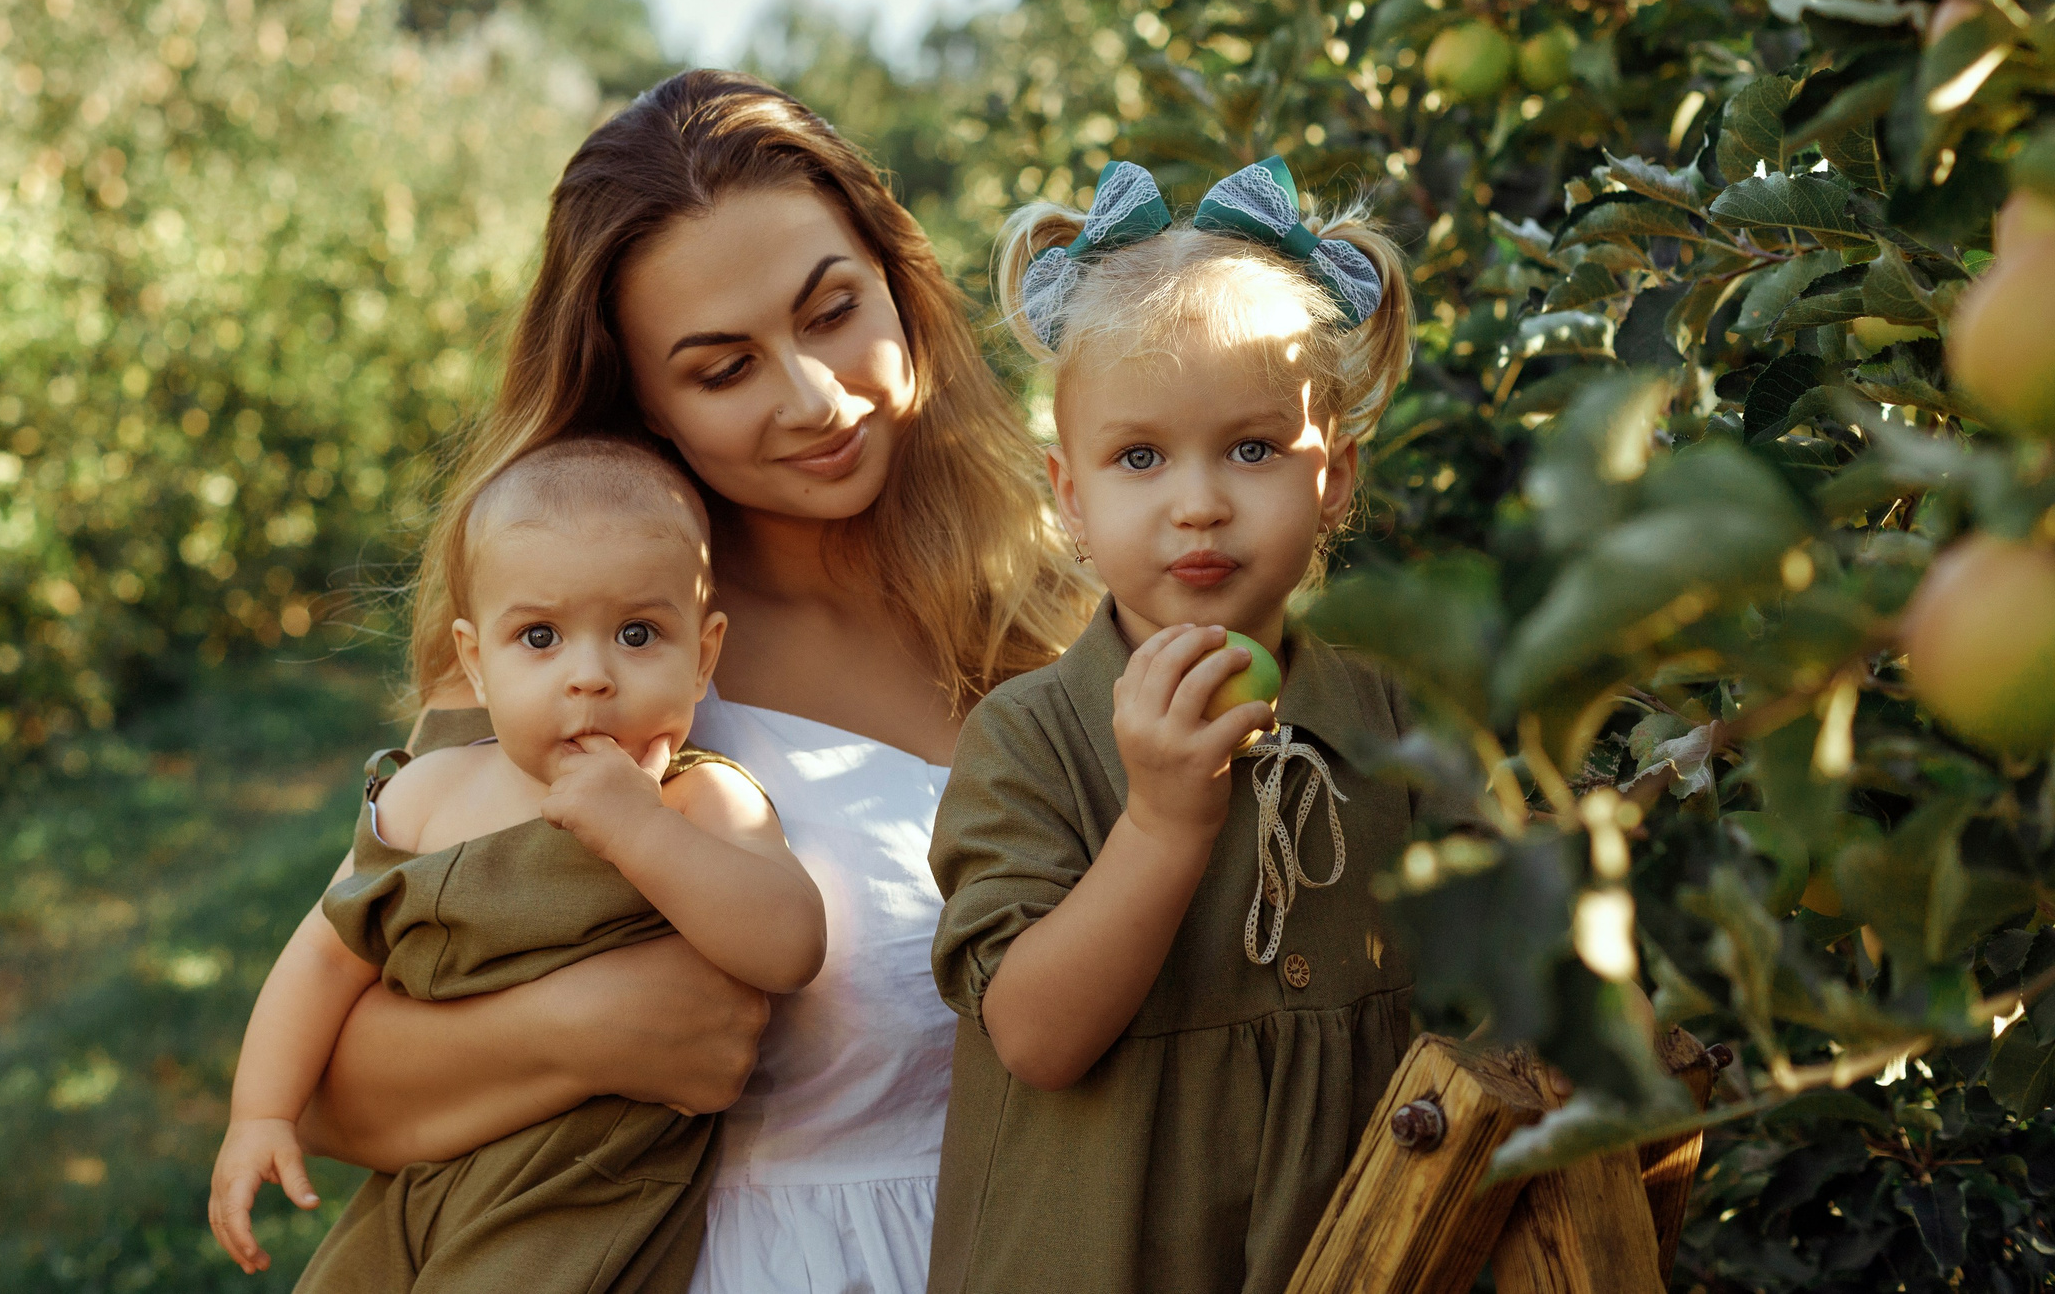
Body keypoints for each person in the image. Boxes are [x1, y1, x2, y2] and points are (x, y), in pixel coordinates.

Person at [296, 70, 1096, 1293]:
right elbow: (328, 1091)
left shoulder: (1061, 599)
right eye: (723, 370)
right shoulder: (598, 671)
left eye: (833, 311)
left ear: (898, 282)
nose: (814, 396)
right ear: (646, 406)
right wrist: (584, 1028)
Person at [926, 156, 1420, 1294]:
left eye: (1252, 449)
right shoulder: (1032, 739)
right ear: (1070, 496)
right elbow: (1038, 1039)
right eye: (1138, 457)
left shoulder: (1394, 723)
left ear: (1333, 477)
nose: (1196, 500)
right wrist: (1157, 825)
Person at [207, 438, 825, 1291]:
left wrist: (637, 831)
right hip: (422, 1178)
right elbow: (323, 951)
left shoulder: (699, 802)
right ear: (475, 661)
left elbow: (791, 944)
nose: (590, 677)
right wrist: (260, 1113)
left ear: (704, 655)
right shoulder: (429, 795)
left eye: (638, 633)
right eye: (539, 636)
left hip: (579, 1197)